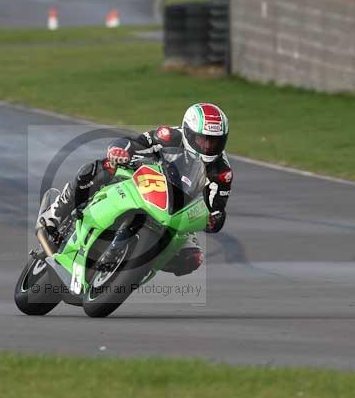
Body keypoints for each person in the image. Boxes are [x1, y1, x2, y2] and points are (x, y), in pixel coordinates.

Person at [40, 103, 233, 276]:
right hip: (145, 180)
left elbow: (216, 207)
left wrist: (214, 218)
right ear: (189, 132)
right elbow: (136, 142)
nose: (207, 146)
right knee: (101, 168)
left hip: (177, 211)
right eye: (202, 139)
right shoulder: (169, 136)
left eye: (213, 141)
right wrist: (121, 150)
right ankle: (55, 213)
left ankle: (137, 270)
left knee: (192, 258)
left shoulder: (222, 172)